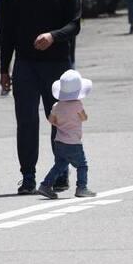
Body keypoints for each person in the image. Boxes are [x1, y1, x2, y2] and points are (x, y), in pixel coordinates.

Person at [0, 0, 82, 195]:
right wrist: (4, 68)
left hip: (57, 65)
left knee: (59, 119)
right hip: (25, 64)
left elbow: (75, 25)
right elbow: (8, 33)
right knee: (26, 121)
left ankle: (60, 171)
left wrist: (52, 36)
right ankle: (28, 176)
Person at [37, 69, 96, 199]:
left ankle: (45, 185)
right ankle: (82, 187)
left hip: (59, 141)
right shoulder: (77, 105)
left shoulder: (57, 105)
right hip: (73, 142)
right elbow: (84, 117)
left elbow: (51, 120)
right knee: (82, 165)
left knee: (60, 165)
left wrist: (60, 122)